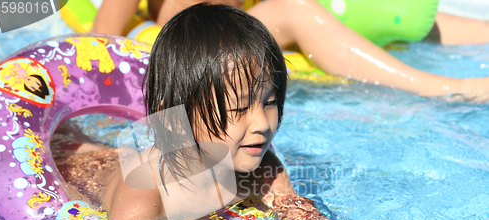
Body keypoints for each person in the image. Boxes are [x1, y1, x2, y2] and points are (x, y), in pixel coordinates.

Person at [54, 4, 362, 220]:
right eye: (240, 108)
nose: (261, 123)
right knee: (72, 145)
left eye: (269, 102)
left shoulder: (260, 166)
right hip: (79, 168)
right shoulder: (146, 192)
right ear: (173, 119)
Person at [92, 0, 489, 101]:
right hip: (183, 43)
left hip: (242, 30)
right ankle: (441, 87)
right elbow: (97, 48)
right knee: (295, 10)